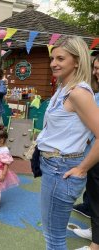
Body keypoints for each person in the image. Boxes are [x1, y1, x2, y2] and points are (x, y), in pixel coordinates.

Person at [36, 37, 99, 250]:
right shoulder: (64, 88)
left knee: (54, 240)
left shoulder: (78, 93)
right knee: (52, 236)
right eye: (53, 58)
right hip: (53, 166)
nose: (54, 63)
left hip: (61, 169)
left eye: (61, 58)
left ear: (77, 61)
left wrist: (82, 168)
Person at [74, 54, 99, 250]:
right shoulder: (95, 92)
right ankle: (95, 233)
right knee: (93, 193)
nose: (96, 71)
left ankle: (95, 245)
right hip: (92, 154)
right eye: (95, 67)